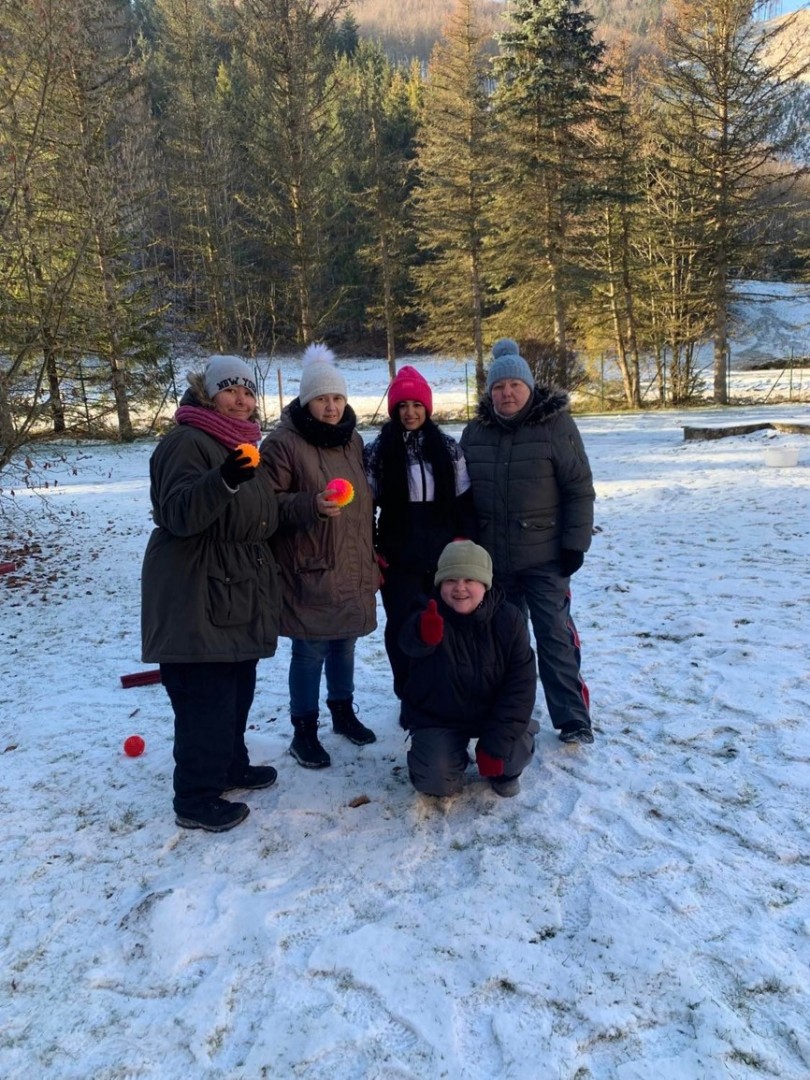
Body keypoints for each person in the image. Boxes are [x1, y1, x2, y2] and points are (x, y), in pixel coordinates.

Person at [141, 355, 281, 833]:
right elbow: (178, 512)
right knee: (205, 699)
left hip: (234, 589)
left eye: (248, 392)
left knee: (236, 689)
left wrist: (310, 508)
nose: (241, 400)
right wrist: (222, 479)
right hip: (195, 592)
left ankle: (230, 766)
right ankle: (195, 798)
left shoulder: (239, 444)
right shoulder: (186, 441)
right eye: (230, 391)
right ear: (209, 394)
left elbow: (259, 516)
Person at [460, 338, 596, 745]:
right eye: (499, 387)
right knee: (502, 639)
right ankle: (507, 714)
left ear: (529, 387)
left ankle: (573, 718)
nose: (507, 394)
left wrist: (575, 544)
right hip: (493, 561)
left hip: (545, 557)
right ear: (490, 392)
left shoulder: (557, 427)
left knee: (554, 636)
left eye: (515, 386)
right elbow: (462, 493)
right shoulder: (475, 432)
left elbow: (578, 488)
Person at [261, 344, 378, 769]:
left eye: (337, 398)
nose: (331, 407)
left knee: (345, 644)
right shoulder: (283, 444)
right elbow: (266, 505)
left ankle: (342, 712)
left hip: (351, 563)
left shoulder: (353, 441)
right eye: (322, 399)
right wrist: (310, 504)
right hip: (309, 566)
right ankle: (304, 731)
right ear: (306, 401)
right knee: (310, 651)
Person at [363, 365, 474, 698]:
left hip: (444, 556)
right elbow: (365, 508)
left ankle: (444, 690)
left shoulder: (448, 448)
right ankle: (409, 693)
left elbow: (464, 501)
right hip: (399, 559)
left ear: (427, 407)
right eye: (402, 406)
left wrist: (462, 539)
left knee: (446, 622)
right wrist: (373, 549)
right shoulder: (378, 452)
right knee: (403, 625)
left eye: (416, 405)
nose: (410, 412)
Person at [398, 540, 538, 798]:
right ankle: (451, 758)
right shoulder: (426, 612)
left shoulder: (510, 619)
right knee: (436, 781)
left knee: (510, 754)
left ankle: (504, 768)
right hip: (440, 716)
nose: (459, 587)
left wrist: (495, 746)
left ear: (485, 584)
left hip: (493, 713)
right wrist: (422, 634)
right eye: (450, 580)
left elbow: (521, 685)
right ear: (439, 584)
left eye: (469, 579)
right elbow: (407, 641)